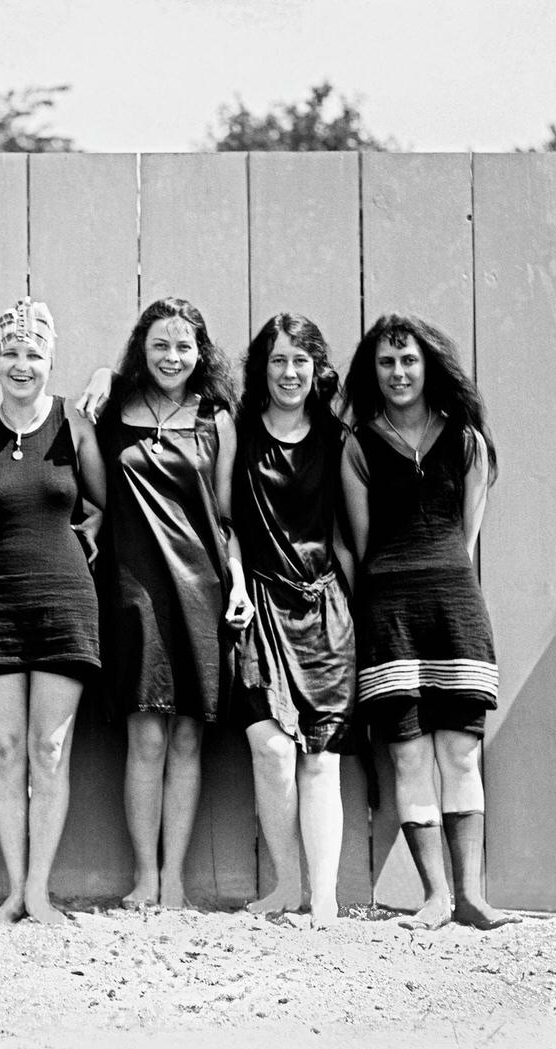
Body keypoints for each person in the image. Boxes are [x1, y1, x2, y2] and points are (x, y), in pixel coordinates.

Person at [340, 313, 519, 931]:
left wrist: (439, 576)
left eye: (408, 360)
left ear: (428, 365)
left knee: (461, 759)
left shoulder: (466, 440)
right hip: (389, 616)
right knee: (411, 760)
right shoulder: (359, 445)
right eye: (386, 363)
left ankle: (470, 897)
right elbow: (363, 547)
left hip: (455, 612)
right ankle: (435, 898)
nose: (398, 373)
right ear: (374, 372)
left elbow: (465, 538)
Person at [78, 297, 252, 909]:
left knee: (185, 741)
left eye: (183, 346)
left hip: (202, 590)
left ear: (200, 352)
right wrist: (102, 375)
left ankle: (174, 878)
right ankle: (143, 877)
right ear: (141, 349)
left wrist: (235, 578)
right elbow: (93, 496)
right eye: (160, 345)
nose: (172, 357)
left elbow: (226, 516)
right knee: (145, 738)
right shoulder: (111, 412)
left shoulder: (217, 419)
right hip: (134, 590)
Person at [0, 298, 107, 924]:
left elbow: (103, 501)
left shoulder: (74, 423)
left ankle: (40, 891)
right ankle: (13, 890)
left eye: (34, 356)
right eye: (11, 354)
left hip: (63, 599)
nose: (22, 365)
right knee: (4, 746)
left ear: (51, 362)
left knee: (48, 749)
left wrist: (94, 527)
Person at [231, 314, 356, 929]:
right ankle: (285, 885)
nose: (289, 372)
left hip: (324, 608)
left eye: (301, 360)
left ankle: (325, 897)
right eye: (278, 360)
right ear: (263, 367)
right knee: (271, 750)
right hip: (256, 604)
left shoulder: (339, 437)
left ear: (316, 368)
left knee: (321, 758)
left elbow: (354, 531)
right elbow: (225, 520)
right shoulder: (237, 429)